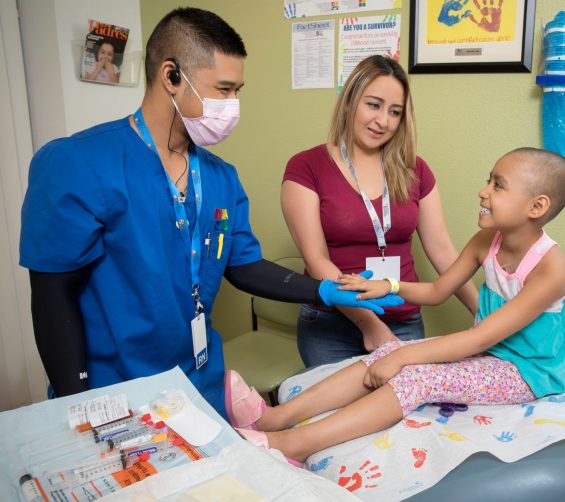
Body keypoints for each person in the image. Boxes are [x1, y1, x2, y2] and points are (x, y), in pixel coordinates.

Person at [19, 8, 401, 419]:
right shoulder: (79, 164)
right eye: (223, 89)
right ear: (171, 76)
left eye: (238, 90)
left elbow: (245, 267)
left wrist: (322, 291)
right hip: (115, 391)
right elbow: (52, 296)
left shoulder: (220, 178)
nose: (233, 104)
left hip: (198, 383)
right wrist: (77, 402)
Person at [227, 147, 565, 463]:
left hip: (526, 371)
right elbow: (439, 290)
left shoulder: (551, 269)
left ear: (537, 206)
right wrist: (387, 286)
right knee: (382, 356)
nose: (483, 191)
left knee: (415, 375)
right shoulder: (489, 240)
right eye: (489, 180)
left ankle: (295, 444)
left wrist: (403, 355)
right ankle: (276, 417)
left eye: (498, 185)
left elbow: (477, 340)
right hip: (490, 352)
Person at [282, 55, 477, 367]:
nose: (383, 121)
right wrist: (370, 324)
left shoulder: (416, 170)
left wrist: (483, 314)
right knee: (337, 413)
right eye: (373, 105)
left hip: (403, 321)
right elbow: (317, 260)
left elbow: (443, 251)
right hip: (331, 326)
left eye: (395, 112)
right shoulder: (306, 167)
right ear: (349, 102)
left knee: (407, 416)